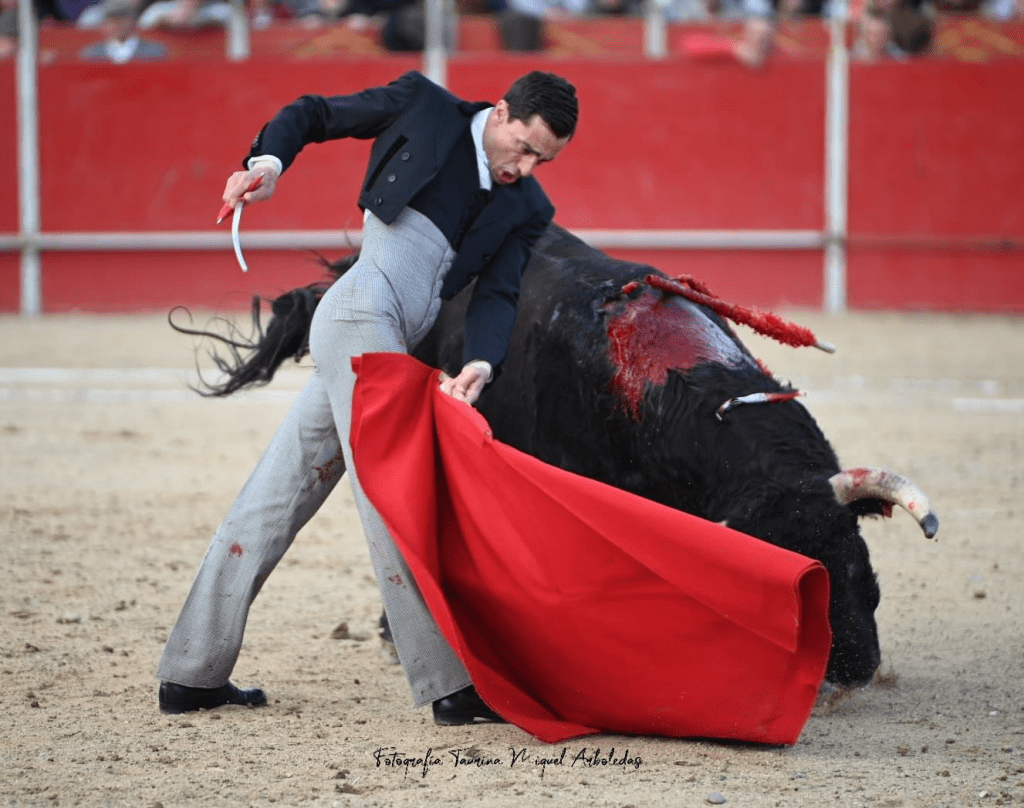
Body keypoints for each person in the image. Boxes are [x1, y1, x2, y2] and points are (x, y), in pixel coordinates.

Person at [155, 70, 579, 725]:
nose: (524, 169)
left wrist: (480, 363)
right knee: (395, 491)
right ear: (500, 113)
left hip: (379, 337)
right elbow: (314, 112)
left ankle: (192, 672)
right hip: (360, 316)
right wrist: (267, 164)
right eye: (523, 148)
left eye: (541, 161)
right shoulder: (424, 106)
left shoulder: (527, 207)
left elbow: (498, 292)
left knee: (275, 494)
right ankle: (450, 684)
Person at [79, 0, 169, 62]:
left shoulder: (155, 52)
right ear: (105, 24)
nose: (118, 24)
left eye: (122, 19)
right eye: (113, 20)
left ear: (133, 20)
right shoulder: (91, 54)